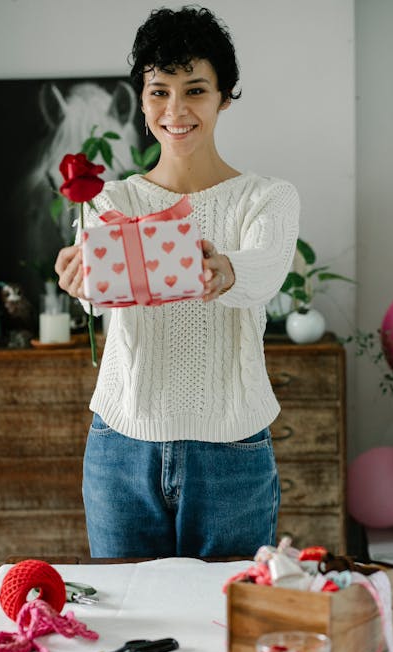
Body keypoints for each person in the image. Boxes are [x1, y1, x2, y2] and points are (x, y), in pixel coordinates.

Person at [55, 5, 300, 558]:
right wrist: (80, 281)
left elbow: (265, 268)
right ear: (142, 102)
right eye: (159, 91)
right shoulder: (111, 200)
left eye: (195, 90)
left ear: (225, 97)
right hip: (121, 443)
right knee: (128, 617)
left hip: (232, 449)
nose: (176, 109)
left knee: (225, 625)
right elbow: (99, 296)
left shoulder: (267, 198)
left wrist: (228, 270)